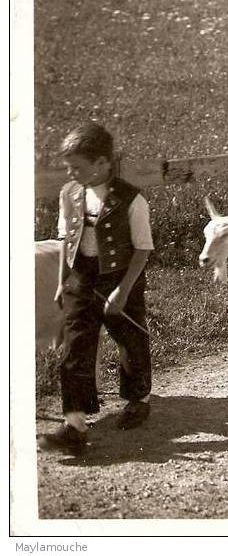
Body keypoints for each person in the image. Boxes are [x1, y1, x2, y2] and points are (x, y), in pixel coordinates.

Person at [39, 122, 154, 456]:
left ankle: (138, 399)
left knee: (129, 339)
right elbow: (65, 240)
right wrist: (63, 280)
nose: (72, 173)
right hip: (81, 277)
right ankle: (74, 424)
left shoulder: (132, 200)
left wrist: (123, 291)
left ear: (104, 163)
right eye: (69, 167)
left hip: (121, 278)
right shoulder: (70, 194)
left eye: (79, 167)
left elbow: (143, 249)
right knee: (75, 346)